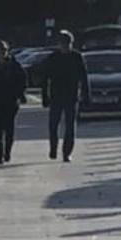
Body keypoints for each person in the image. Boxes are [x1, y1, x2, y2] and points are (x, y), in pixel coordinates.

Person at [41, 29, 91, 162]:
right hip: (56, 96)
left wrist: (86, 95)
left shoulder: (77, 57)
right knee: (53, 125)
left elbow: (84, 77)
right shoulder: (53, 58)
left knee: (70, 126)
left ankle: (67, 152)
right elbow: (45, 78)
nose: (65, 46)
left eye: (68, 43)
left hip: (71, 96)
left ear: (71, 44)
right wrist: (45, 96)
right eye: (63, 44)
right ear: (59, 44)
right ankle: (53, 148)